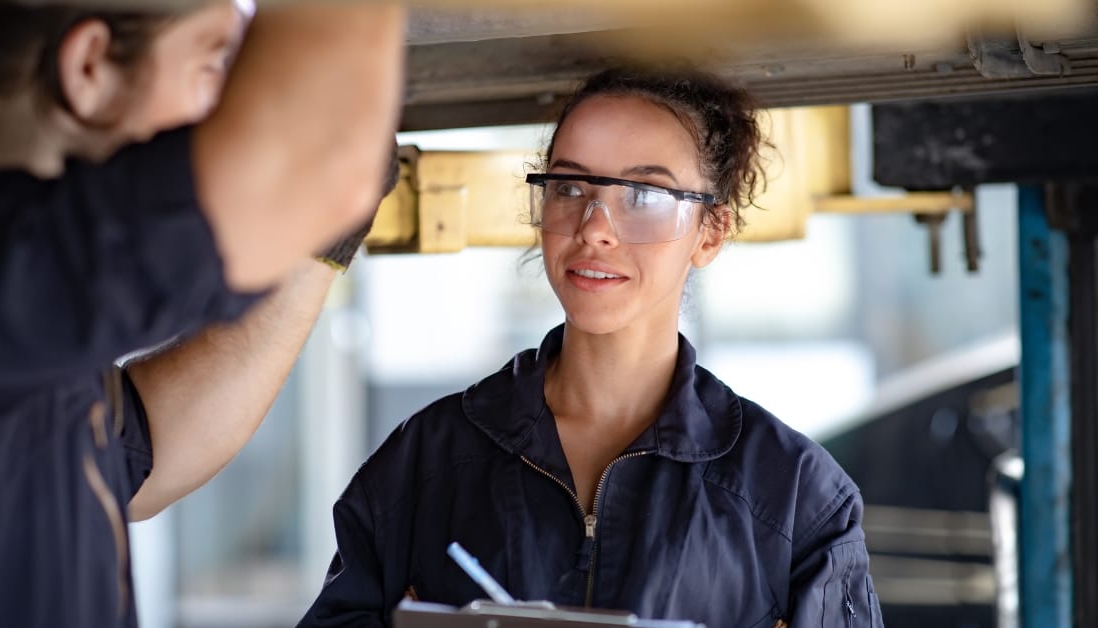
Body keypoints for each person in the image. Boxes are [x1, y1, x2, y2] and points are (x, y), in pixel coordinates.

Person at [298, 65, 884, 628]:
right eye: (571, 186)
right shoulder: (425, 461)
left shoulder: (794, 496)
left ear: (711, 231)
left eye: (645, 194)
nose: (594, 226)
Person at [0, 1, 404, 626]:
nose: (228, 112)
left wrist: (311, 241)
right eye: (215, 64)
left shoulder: (1, 283)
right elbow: (303, 157)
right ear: (89, 68)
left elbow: (147, 455)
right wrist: (305, 173)